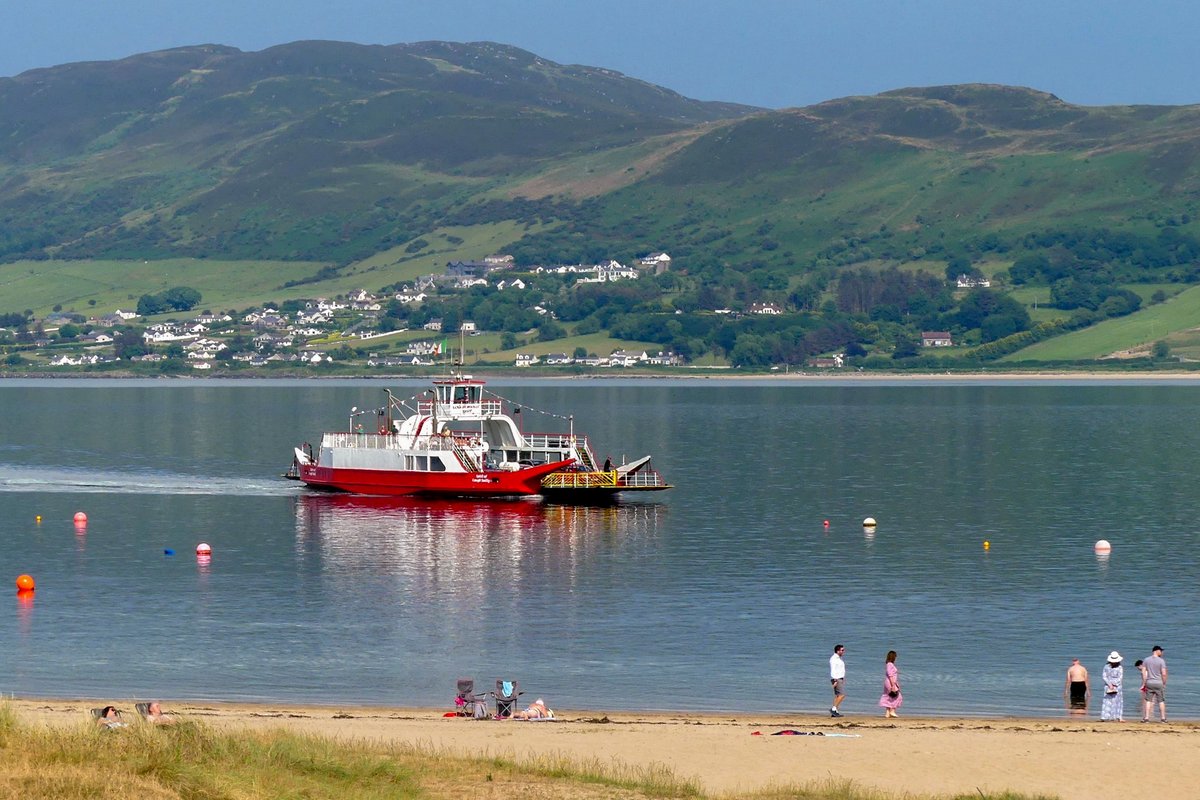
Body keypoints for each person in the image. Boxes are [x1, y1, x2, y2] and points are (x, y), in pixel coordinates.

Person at [1142, 645, 1167, 722]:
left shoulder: (1146, 660)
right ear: (1156, 651)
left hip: (1149, 682)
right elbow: (1164, 673)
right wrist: (1164, 682)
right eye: (1160, 650)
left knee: (1148, 700)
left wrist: (1144, 682)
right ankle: (1163, 718)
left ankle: (1146, 718)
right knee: (1161, 701)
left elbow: (1143, 672)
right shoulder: (1161, 661)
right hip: (1158, 682)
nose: (1162, 652)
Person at [1100, 651, 1124, 722]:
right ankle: (1109, 716)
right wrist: (1111, 684)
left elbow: (1105, 677)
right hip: (1112, 685)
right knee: (1110, 701)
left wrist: (1111, 684)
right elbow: (1120, 677)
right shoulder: (1115, 667)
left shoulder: (1108, 666)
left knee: (1114, 701)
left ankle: (1114, 716)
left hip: (1112, 685)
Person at [878, 650, 902, 718]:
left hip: (889, 682)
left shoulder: (889, 664)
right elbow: (890, 675)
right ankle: (892, 711)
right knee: (898, 696)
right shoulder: (890, 665)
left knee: (888, 696)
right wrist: (893, 686)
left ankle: (887, 713)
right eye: (895, 657)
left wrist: (896, 684)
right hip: (890, 682)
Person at [829, 643, 846, 718]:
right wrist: (835, 680)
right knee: (842, 695)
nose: (843, 651)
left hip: (840, 678)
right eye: (842, 650)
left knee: (837, 695)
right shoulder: (834, 659)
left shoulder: (839, 658)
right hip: (836, 678)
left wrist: (843, 678)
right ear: (838, 651)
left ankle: (835, 711)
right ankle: (833, 709)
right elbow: (833, 670)